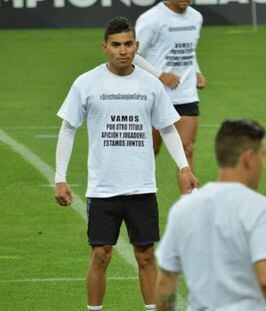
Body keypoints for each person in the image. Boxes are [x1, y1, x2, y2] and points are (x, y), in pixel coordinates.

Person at [54, 17, 198, 311]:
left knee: (146, 256)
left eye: (129, 44)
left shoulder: (151, 85)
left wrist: (184, 166)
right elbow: (68, 128)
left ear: (137, 46)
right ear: (105, 47)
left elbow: (168, 128)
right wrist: (60, 177)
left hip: (142, 187)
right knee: (101, 255)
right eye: (116, 45)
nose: (123, 50)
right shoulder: (87, 82)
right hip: (103, 187)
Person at [155, 119, 266, 311]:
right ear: (248, 158)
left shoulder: (183, 209)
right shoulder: (260, 209)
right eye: (262, 155)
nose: (263, 163)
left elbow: (165, 282)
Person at [134, 0, 205, 193]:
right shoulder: (151, 19)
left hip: (186, 94)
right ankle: (132, 197)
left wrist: (196, 71)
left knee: (187, 149)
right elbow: (133, 54)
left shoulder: (196, 17)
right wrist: (161, 75)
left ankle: (189, 209)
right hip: (156, 96)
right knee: (150, 151)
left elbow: (189, 50)